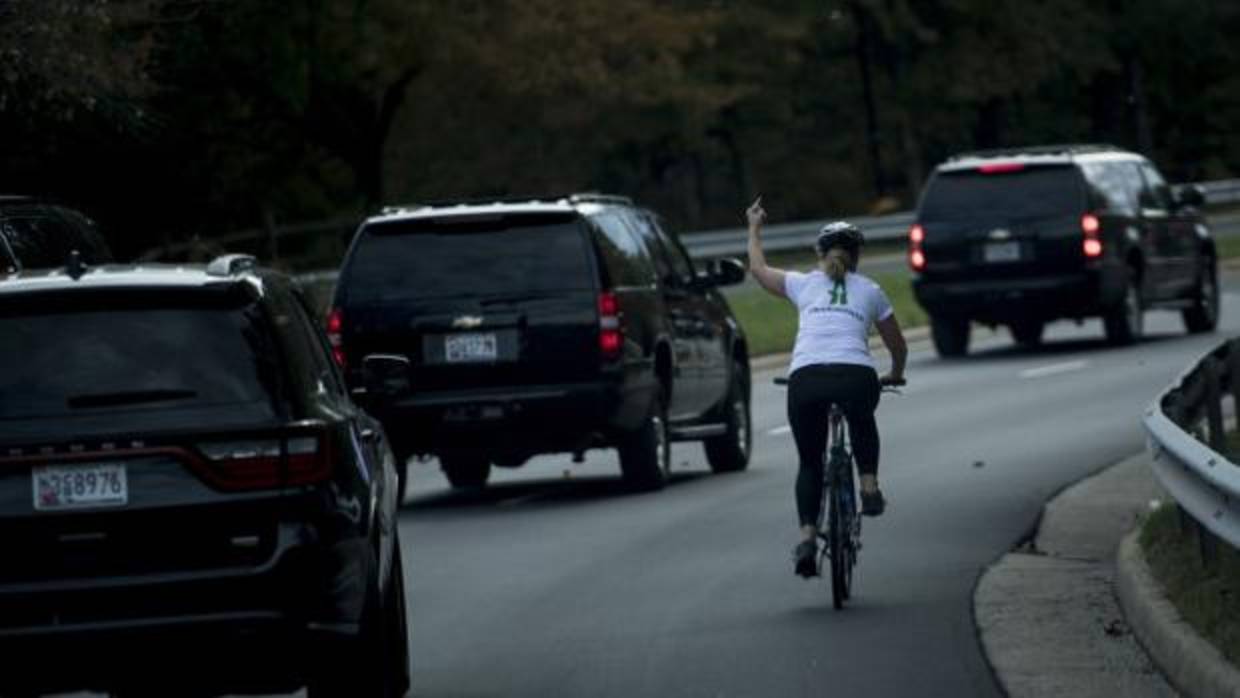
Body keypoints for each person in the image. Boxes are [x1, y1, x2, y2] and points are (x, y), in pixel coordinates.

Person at [745, 197, 908, 578]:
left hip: (806, 379)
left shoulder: (802, 284)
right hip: (855, 376)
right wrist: (896, 371)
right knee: (862, 417)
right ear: (858, 256)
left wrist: (754, 227)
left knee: (809, 461)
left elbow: (757, 269)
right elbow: (896, 344)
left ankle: (805, 537)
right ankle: (868, 485)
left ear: (820, 254)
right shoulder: (870, 289)